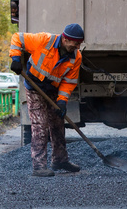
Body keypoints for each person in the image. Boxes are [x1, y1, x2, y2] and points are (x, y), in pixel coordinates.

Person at [9, 23, 84, 177]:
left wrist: (62, 101)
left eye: (79, 43)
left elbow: (68, 82)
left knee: (58, 124)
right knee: (40, 126)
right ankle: (39, 166)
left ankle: (60, 160)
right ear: (65, 39)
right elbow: (18, 38)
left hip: (53, 91)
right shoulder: (44, 40)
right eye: (75, 43)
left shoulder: (76, 57)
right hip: (34, 87)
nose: (77, 46)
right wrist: (15, 58)